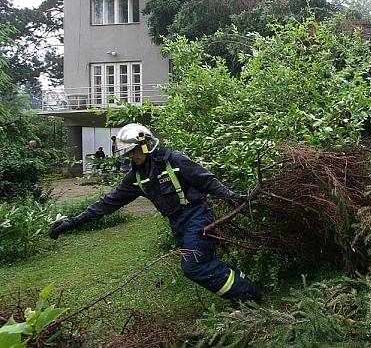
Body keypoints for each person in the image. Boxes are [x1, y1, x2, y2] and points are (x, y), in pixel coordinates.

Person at [49, 123, 261, 306]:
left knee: (194, 265)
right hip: (177, 222)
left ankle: (248, 295)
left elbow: (206, 180)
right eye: (128, 153)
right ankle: (243, 292)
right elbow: (107, 203)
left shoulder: (174, 160)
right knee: (204, 260)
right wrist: (73, 222)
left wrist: (234, 197)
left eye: (133, 150)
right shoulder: (136, 176)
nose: (131, 156)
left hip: (198, 215)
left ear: (145, 144)